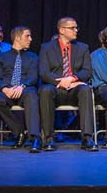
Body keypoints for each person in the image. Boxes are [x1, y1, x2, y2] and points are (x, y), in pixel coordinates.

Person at [38, 17, 98, 152]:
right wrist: (62, 81)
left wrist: (72, 79)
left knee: (86, 90)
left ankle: (87, 138)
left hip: (74, 88)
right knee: (45, 90)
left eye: (76, 27)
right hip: (55, 87)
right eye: (73, 28)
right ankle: (48, 138)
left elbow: (87, 71)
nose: (76, 30)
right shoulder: (46, 47)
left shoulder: (82, 47)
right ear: (61, 30)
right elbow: (43, 72)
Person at [0, 25, 42, 152]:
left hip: (25, 88)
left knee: (32, 95)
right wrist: (4, 88)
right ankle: (19, 133)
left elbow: (33, 76)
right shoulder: (1, 57)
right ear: (18, 38)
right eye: (27, 36)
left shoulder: (33, 56)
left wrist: (22, 86)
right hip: (7, 89)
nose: (30, 39)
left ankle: (35, 137)